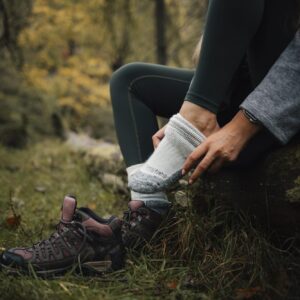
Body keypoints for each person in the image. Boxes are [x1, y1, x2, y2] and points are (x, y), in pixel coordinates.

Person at [1, 0, 299, 276]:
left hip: (280, 108)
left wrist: (243, 125)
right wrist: (202, 99)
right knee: (129, 80)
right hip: (240, 85)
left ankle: (195, 118)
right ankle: (145, 216)